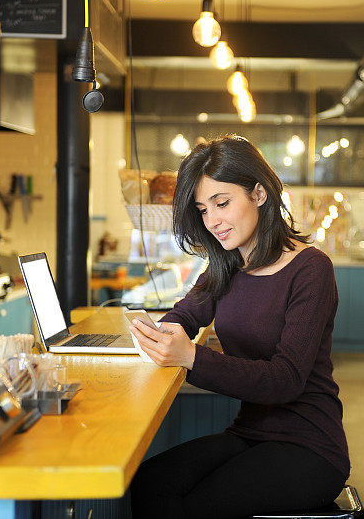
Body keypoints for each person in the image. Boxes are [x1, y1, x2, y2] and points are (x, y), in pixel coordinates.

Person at [128, 135, 349, 519]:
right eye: (202, 209)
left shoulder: (311, 269)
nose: (212, 221)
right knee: (150, 481)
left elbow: (286, 379)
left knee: (198, 508)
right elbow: (184, 314)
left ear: (259, 194)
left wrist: (192, 356)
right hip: (250, 433)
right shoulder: (226, 265)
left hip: (310, 446)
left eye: (222, 203)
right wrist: (160, 331)